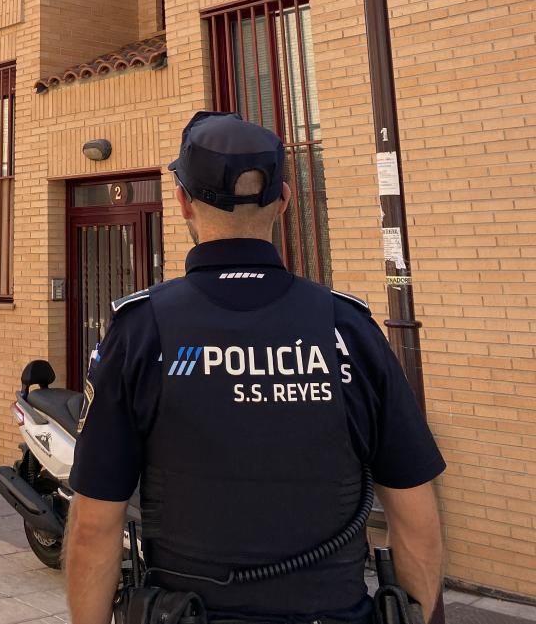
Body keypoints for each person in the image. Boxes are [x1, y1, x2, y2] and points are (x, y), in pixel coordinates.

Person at [65, 112, 446, 624]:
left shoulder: (140, 331)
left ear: (182, 203)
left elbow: (94, 525)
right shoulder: (349, 329)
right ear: (284, 201)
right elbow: (417, 519)